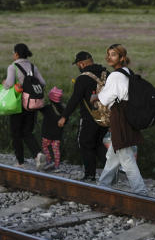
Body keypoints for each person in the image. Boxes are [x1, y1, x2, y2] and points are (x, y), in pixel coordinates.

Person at [96, 44, 147, 195]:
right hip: (130, 115)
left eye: (113, 54)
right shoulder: (128, 73)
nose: (109, 57)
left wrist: (95, 97)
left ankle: (141, 192)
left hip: (120, 117)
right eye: (108, 54)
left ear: (122, 57)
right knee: (114, 153)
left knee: (126, 156)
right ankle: (103, 186)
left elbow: (105, 99)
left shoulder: (115, 75)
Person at [58, 51, 109, 181]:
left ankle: (89, 175)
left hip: (90, 117)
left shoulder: (83, 78)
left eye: (78, 65)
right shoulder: (106, 74)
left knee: (85, 143)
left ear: (81, 64)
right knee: (98, 144)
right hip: (106, 117)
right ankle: (111, 171)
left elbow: (75, 99)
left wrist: (64, 116)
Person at [2, 43, 46, 168]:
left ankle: (20, 162)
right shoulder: (33, 67)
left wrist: (4, 83)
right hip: (32, 104)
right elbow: (43, 83)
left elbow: (9, 84)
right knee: (27, 131)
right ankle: (37, 154)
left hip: (18, 104)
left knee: (16, 133)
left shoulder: (13, 67)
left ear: (16, 54)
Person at [40, 87, 65, 171]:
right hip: (57, 134)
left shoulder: (47, 108)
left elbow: (38, 107)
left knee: (45, 147)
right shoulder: (63, 109)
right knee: (56, 150)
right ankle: (57, 166)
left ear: (50, 99)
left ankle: (49, 160)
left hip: (47, 133)